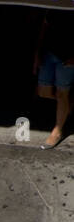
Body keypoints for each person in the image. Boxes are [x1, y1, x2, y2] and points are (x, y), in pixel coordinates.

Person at [35, 11, 74, 149]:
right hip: (49, 53)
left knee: (62, 93)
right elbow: (43, 29)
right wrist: (38, 54)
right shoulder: (55, 5)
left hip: (68, 58)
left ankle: (57, 131)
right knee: (43, 91)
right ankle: (68, 103)